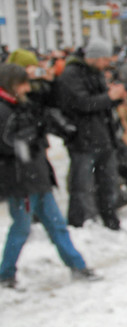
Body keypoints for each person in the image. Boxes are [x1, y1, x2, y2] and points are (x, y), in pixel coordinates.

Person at [0, 65, 98, 289]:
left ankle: (77, 265)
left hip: (38, 176)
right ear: (12, 84)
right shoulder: (4, 109)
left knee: (57, 225)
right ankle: (5, 274)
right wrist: (28, 137)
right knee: (22, 228)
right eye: (23, 83)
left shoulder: (22, 104)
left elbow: (51, 101)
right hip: (20, 181)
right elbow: (7, 144)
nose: (27, 88)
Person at [57, 37, 126, 230]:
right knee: (81, 185)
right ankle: (77, 222)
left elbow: (99, 103)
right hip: (83, 138)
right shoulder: (71, 74)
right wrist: (108, 98)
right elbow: (82, 103)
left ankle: (110, 220)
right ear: (94, 57)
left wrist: (115, 99)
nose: (107, 64)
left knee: (108, 183)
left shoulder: (95, 73)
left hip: (103, 134)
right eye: (104, 59)